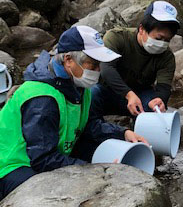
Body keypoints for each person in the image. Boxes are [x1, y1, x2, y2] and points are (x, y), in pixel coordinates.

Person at [0, 26, 148, 200]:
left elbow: (86, 125)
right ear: (68, 60)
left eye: (99, 65)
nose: (98, 71)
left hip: (49, 151)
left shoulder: (77, 86)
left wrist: (123, 133)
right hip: (13, 166)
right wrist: (92, 171)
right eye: (93, 64)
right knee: (46, 194)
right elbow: (42, 159)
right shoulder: (42, 99)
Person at [90, 1, 179, 120]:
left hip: (140, 96)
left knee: (154, 108)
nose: (162, 43)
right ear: (142, 29)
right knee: (92, 93)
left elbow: (164, 87)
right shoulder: (117, 37)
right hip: (107, 91)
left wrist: (160, 100)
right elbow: (106, 69)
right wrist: (129, 94)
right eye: (159, 38)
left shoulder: (167, 57)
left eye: (167, 40)